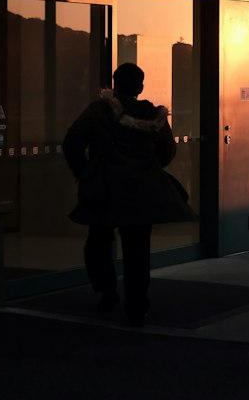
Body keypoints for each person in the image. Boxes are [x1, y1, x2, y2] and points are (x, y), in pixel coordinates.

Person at [62, 61, 195, 326]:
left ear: (114, 83)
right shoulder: (153, 115)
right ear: (140, 86)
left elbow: (72, 143)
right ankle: (136, 306)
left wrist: (86, 173)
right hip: (142, 192)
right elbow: (167, 153)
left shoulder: (99, 111)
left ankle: (107, 290)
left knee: (98, 241)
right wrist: (147, 166)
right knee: (137, 251)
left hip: (104, 190)